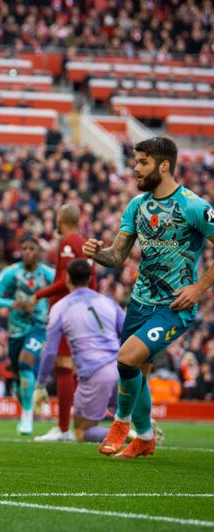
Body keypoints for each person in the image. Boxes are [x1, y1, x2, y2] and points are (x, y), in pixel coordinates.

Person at [84, 136, 214, 459]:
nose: (136, 169)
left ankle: (121, 422)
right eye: (136, 162)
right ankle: (144, 438)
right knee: (136, 371)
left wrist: (198, 288)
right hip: (140, 303)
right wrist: (99, 254)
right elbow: (117, 256)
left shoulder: (194, 206)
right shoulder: (137, 206)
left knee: (126, 358)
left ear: (164, 165)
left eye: (142, 163)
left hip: (173, 307)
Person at [34, 260, 121, 443]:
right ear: (90, 278)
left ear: (67, 279)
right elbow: (129, 331)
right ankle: (142, 427)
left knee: (82, 430)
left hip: (95, 371)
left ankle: (129, 435)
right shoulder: (107, 302)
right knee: (119, 412)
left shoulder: (61, 307)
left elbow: (50, 351)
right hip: (121, 367)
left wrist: (41, 384)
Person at [32, 204, 97, 442]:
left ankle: (63, 429)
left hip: (69, 310)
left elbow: (63, 280)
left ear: (61, 219)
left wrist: (38, 295)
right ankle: (80, 425)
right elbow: (93, 279)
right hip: (86, 309)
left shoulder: (68, 242)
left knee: (63, 366)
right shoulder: (85, 243)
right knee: (78, 369)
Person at [0, 237, 54, 435]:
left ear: (39, 253)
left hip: (38, 327)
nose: (27, 252)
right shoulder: (11, 273)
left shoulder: (48, 274)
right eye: (24, 248)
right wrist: (11, 304)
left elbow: (62, 290)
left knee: (25, 363)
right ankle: (25, 399)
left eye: (31, 249)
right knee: (18, 374)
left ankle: (27, 417)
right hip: (16, 331)